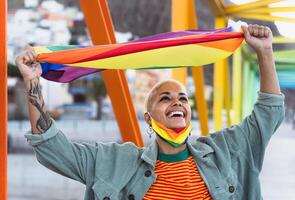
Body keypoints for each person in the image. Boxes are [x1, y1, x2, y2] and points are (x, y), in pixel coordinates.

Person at [16, 24, 284, 200]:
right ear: (148, 117)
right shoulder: (115, 162)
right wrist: (32, 81)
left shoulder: (227, 151)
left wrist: (265, 52)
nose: (177, 103)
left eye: (182, 98)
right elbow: (53, 149)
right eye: (164, 98)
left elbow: (267, 114)